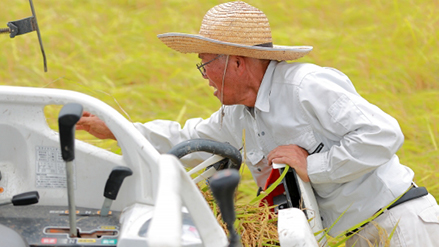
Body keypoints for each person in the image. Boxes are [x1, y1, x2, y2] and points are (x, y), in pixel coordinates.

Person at [77, 1, 439, 246]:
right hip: (354, 235)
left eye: (205, 63)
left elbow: (382, 134)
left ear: (237, 62)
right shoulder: (237, 116)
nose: (203, 75)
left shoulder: (305, 86)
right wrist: (113, 127)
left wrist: (311, 165)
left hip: (401, 225)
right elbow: (187, 139)